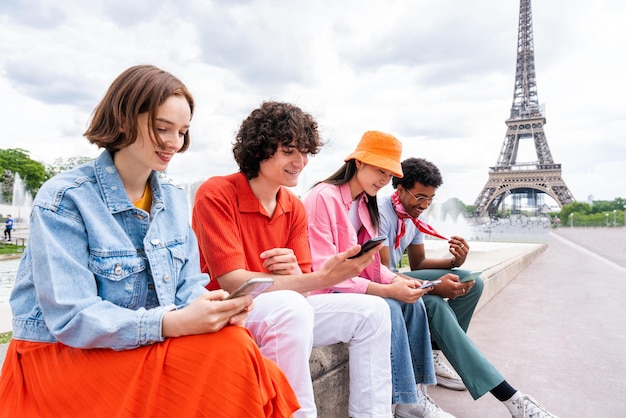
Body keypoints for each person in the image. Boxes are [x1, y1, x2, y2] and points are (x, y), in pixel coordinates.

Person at [0, 65, 299, 418]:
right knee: (235, 359)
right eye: (162, 129)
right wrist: (171, 323)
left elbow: (189, 287)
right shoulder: (65, 199)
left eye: (183, 132)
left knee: (234, 344)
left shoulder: (173, 199)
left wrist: (217, 307)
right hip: (58, 357)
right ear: (124, 120)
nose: (175, 143)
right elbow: (71, 317)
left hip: (135, 346)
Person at [191, 101, 393, 418]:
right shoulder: (216, 192)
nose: (300, 162)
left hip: (280, 307)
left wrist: (298, 275)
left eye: (305, 152)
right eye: (289, 151)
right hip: (229, 308)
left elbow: (305, 290)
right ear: (260, 149)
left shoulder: (294, 207)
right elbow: (233, 283)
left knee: (373, 312)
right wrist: (320, 278)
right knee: (291, 307)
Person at [377, 157, 560, 418]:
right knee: (434, 304)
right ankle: (513, 399)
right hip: (384, 284)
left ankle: (435, 352)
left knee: (471, 282)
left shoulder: (412, 215)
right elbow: (385, 273)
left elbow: (417, 263)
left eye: (430, 199)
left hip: (398, 278)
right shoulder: (382, 212)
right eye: (419, 197)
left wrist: (455, 260)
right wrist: (435, 287)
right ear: (400, 188)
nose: (425, 205)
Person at [304, 131, 454, 418]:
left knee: (414, 302)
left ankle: (417, 394)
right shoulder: (324, 197)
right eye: (379, 170)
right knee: (388, 306)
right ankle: (406, 399)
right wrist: (388, 290)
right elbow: (326, 271)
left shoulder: (364, 203)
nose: (384, 179)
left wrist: (398, 280)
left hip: (346, 288)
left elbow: (373, 266)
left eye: (389, 173)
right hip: (324, 292)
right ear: (359, 163)